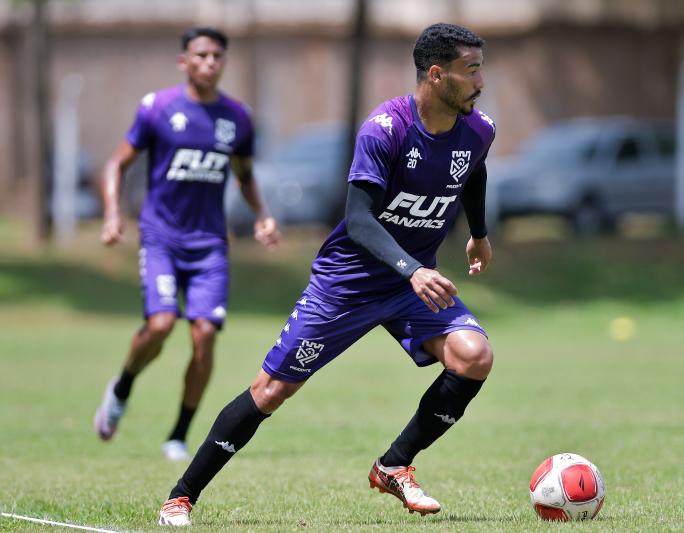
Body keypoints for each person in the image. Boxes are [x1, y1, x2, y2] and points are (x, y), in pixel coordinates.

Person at [157, 22, 495, 526]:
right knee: (270, 392)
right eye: (471, 71)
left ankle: (394, 465)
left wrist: (479, 232)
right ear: (436, 74)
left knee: (474, 356)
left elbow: (473, 170)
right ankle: (181, 496)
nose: (481, 82)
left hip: (410, 286)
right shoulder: (386, 130)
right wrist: (411, 270)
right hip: (348, 284)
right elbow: (358, 221)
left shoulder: (478, 129)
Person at [94, 27, 281, 462]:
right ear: (184, 61)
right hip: (161, 237)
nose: (210, 63)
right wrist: (111, 214)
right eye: (201, 55)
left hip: (210, 245)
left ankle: (178, 434)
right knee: (160, 325)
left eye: (218, 56)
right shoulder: (157, 108)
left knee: (205, 338)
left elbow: (244, 173)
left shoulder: (238, 117)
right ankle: (121, 388)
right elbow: (116, 164)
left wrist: (263, 215)